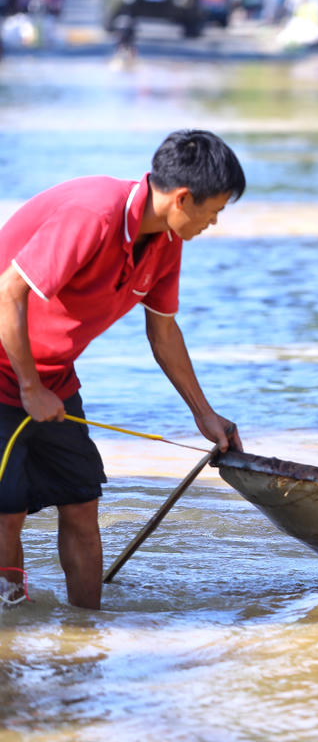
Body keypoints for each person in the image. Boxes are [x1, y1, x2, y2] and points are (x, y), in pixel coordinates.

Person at [0, 129, 246, 609]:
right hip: (7, 373)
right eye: (214, 210)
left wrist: (203, 413)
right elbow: (9, 292)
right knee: (6, 513)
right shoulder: (93, 214)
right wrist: (29, 388)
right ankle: (11, 641)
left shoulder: (166, 241)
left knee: (81, 499)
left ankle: (87, 632)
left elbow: (164, 333)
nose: (214, 222)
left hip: (52, 378)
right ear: (182, 198)